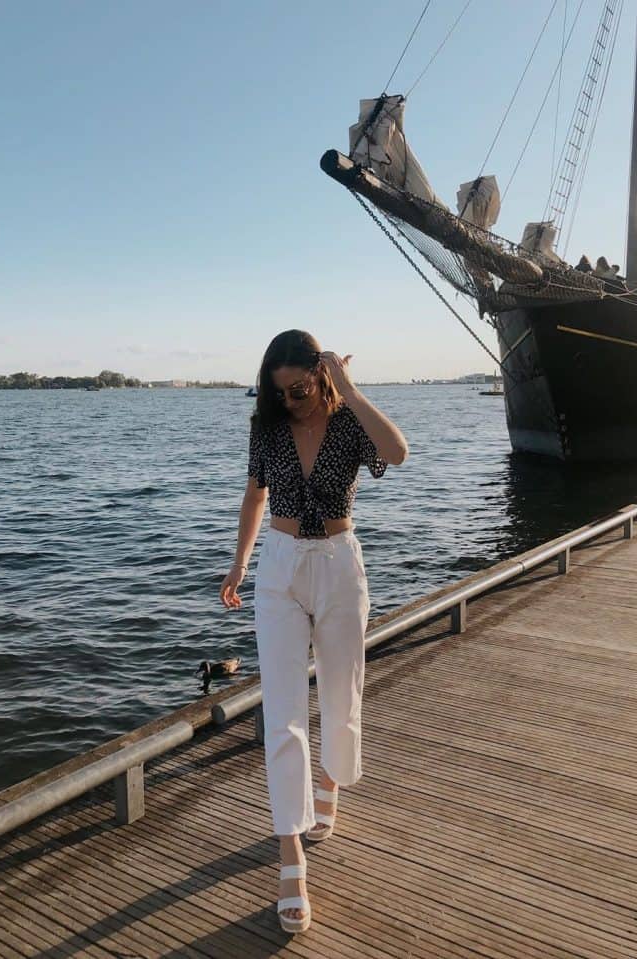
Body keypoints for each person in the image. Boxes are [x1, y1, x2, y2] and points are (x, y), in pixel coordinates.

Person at [219, 329, 408, 934]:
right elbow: (255, 495)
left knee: (340, 695)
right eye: (279, 393)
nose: (290, 402)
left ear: (321, 374)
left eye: (298, 390)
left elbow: (397, 452)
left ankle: (329, 780)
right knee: (283, 713)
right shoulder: (267, 427)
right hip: (279, 567)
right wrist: (239, 563)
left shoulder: (349, 420)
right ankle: (290, 854)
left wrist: (348, 387)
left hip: (338, 564)